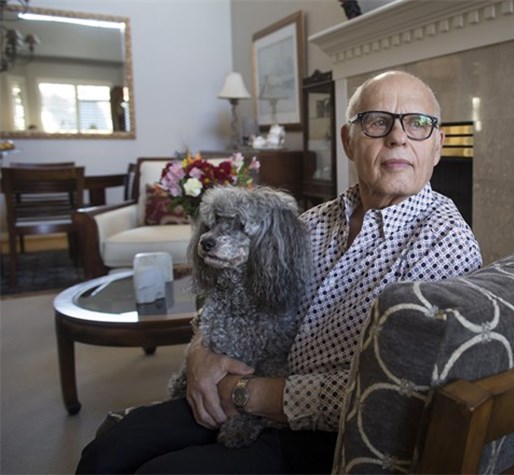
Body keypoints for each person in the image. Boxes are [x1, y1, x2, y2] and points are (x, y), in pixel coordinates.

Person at [76, 70, 482, 474]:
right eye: (377, 121)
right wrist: (200, 351)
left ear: (438, 145)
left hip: (331, 437)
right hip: (248, 395)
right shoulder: (310, 222)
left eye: (418, 124)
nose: (398, 137)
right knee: (110, 449)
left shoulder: (444, 244)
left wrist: (246, 393)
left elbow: (396, 392)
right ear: (347, 141)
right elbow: (236, 293)